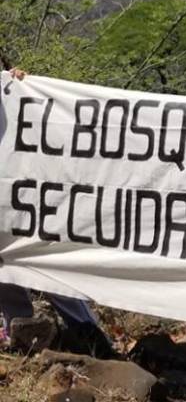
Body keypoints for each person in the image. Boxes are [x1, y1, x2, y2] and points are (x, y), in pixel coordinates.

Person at [0, 67, 115, 358]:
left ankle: (86, 329)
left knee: (44, 257)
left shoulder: (9, 89)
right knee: (6, 269)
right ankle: (22, 333)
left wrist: (20, 84)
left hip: (22, 191)